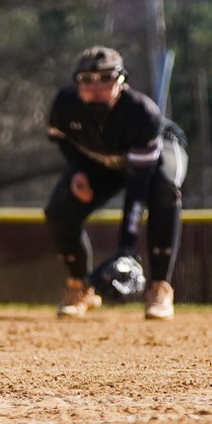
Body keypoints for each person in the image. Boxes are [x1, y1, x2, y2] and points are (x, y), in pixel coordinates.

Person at [44, 46, 187, 321]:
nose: (96, 86)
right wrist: (79, 171)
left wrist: (126, 248)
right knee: (58, 212)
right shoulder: (64, 104)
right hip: (103, 160)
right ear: (76, 82)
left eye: (106, 77)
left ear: (122, 80)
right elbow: (61, 138)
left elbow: (137, 188)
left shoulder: (142, 113)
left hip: (156, 152)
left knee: (164, 191)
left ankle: (159, 288)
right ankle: (79, 288)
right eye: (87, 79)